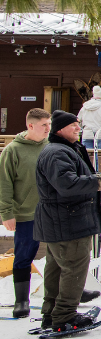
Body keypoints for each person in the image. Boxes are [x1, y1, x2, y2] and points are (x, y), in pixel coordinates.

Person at [33, 111, 101, 332]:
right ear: (59, 129)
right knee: (74, 268)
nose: (78, 128)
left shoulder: (65, 149)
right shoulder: (57, 153)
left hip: (62, 220)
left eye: (78, 124)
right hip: (67, 221)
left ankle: (51, 314)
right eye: (73, 125)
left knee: (57, 269)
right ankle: (64, 316)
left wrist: (99, 180)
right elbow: (67, 184)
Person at [0, 109, 51, 317]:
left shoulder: (51, 147)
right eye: (44, 125)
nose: (48, 129)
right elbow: (4, 184)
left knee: (60, 254)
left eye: (49, 124)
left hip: (51, 211)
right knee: (23, 256)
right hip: (25, 213)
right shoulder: (12, 150)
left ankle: (60, 296)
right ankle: (21, 301)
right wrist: (6, 213)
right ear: (30, 126)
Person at [77, 85, 101, 150]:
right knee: (100, 157)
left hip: (87, 134)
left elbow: (78, 120)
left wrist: (82, 130)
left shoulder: (85, 107)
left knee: (87, 157)